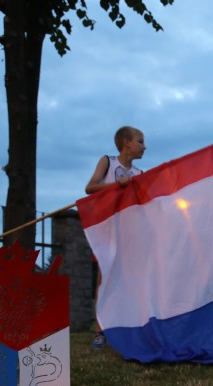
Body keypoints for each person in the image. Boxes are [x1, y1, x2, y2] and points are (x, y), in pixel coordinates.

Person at [84, 126, 146, 349]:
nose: (144, 147)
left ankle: (129, 327)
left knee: (131, 280)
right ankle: (100, 332)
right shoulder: (108, 162)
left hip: (129, 234)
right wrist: (116, 186)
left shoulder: (139, 174)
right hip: (107, 230)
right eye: (140, 141)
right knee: (104, 280)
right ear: (126, 142)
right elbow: (90, 187)